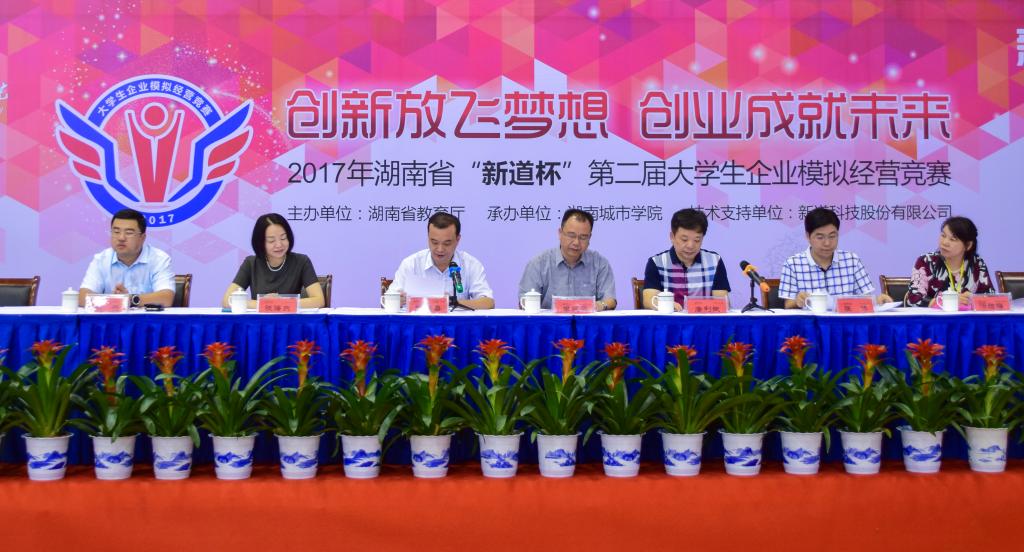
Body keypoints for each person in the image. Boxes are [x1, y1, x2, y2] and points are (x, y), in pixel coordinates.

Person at [779, 207, 891, 309]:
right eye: (820, 237)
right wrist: (798, 301)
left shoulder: (852, 261)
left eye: (832, 236)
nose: (827, 243)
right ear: (808, 236)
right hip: (811, 323)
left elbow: (866, 298)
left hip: (846, 322)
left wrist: (878, 300)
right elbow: (788, 304)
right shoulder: (792, 264)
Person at [387, 212, 495, 309]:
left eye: (447, 243)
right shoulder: (411, 264)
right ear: (428, 237)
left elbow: (488, 302)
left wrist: (451, 302)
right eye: (434, 242)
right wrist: (397, 300)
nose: (440, 249)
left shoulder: (470, 264)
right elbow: (387, 301)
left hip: (456, 324)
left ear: (458, 240)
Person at [519, 209, 617, 310]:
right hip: (549, 320)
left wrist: (600, 305)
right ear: (560, 233)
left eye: (583, 237)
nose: (576, 242)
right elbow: (524, 301)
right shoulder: (539, 264)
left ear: (589, 238)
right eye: (571, 235)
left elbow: (610, 300)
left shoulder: (600, 263)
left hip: (587, 320)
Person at [221, 213, 325, 309]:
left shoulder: (301, 261)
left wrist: (282, 302)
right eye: (271, 240)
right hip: (260, 321)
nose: (279, 245)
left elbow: (319, 301)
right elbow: (227, 301)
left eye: (283, 238)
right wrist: (263, 304)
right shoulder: (251, 263)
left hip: (290, 321)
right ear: (260, 242)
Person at [79, 209, 175, 308]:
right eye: (116, 232)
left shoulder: (159, 259)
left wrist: (129, 299)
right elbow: (83, 297)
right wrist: (115, 301)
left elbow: (166, 298)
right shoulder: (101, 259)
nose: (121, 238)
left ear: (142, 237)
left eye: (129, 233)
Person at [642, 208, 729, 311]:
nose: (690, 246)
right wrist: (667, 305)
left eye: (697, 240)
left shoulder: (715, 261)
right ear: (672, 237)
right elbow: (649, 300)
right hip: (670, 320)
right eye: (684, 239)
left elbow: (722, 302)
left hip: (703, 320)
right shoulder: (657, 263)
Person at [905, 216, 993, 307]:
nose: (945, 242)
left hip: (966, 316)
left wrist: (975, 299)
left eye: (952, 239)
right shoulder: (926, 261)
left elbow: (991, 298)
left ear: (968, 245)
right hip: (935, 316)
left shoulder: (977, 263)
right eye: (943, 236)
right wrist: (946, 301)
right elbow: (913, 299)